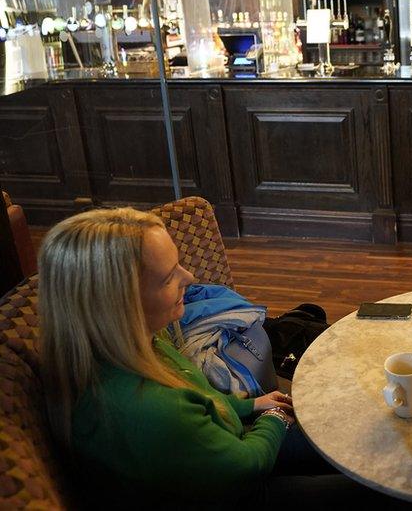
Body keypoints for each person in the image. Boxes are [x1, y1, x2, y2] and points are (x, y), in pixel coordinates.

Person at [37, 208, 390, 508]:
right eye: (167, 278)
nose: (189, 279)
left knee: (362, 434)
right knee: (382, 485)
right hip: (241, 487)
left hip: (222, 450)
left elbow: (201, 399)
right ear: (118, 306)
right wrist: (273, 417)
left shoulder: (127, 349)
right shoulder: (150, 410)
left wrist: (249, 405)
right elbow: (247, 466)